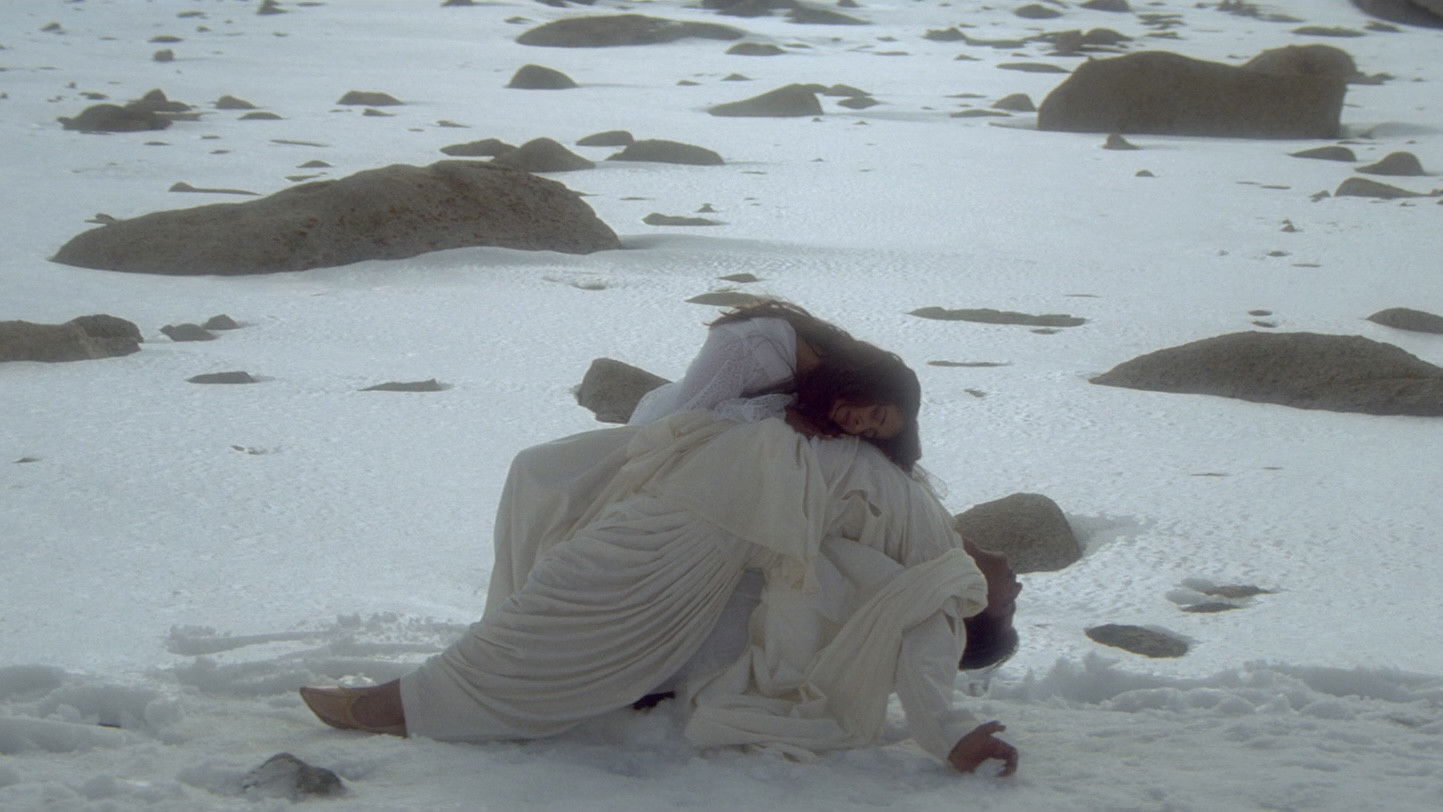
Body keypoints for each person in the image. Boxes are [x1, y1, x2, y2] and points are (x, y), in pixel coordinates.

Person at [301, 411, 1021, 776]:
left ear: (977, 614)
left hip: (749, 483)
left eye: (1010, 601)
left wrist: (952, 734)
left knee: (597, 579)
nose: (1015, 579)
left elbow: (925, 658)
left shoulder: (945, 588)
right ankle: (608, 674)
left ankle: (415, 702)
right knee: (547, 474)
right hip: (747, 473)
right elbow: (823, 566)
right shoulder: (929, 535)